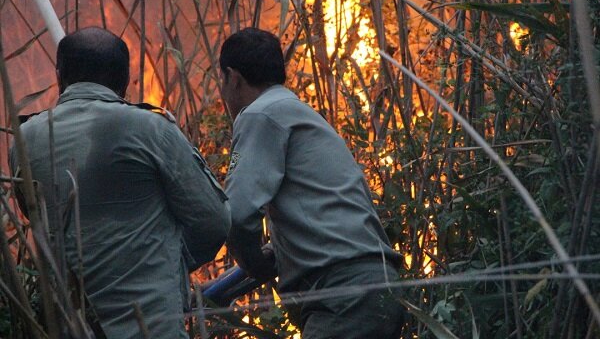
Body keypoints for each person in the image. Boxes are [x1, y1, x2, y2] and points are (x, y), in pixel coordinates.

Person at [10, 27, 231, 338]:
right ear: (125, 80)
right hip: (152, 327)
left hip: (69, 326)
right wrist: (168, 265)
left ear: (59, 76)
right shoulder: (153, 129)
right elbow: (214, 221)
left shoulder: (24, 140)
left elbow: (35, 220)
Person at [219, 28, 404, 338]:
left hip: (342, 296)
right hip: (373, 289)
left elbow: (235, 216)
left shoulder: (260, 115)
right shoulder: (298, 113)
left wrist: (254, 266)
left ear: (233, 77)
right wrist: (274, 253)